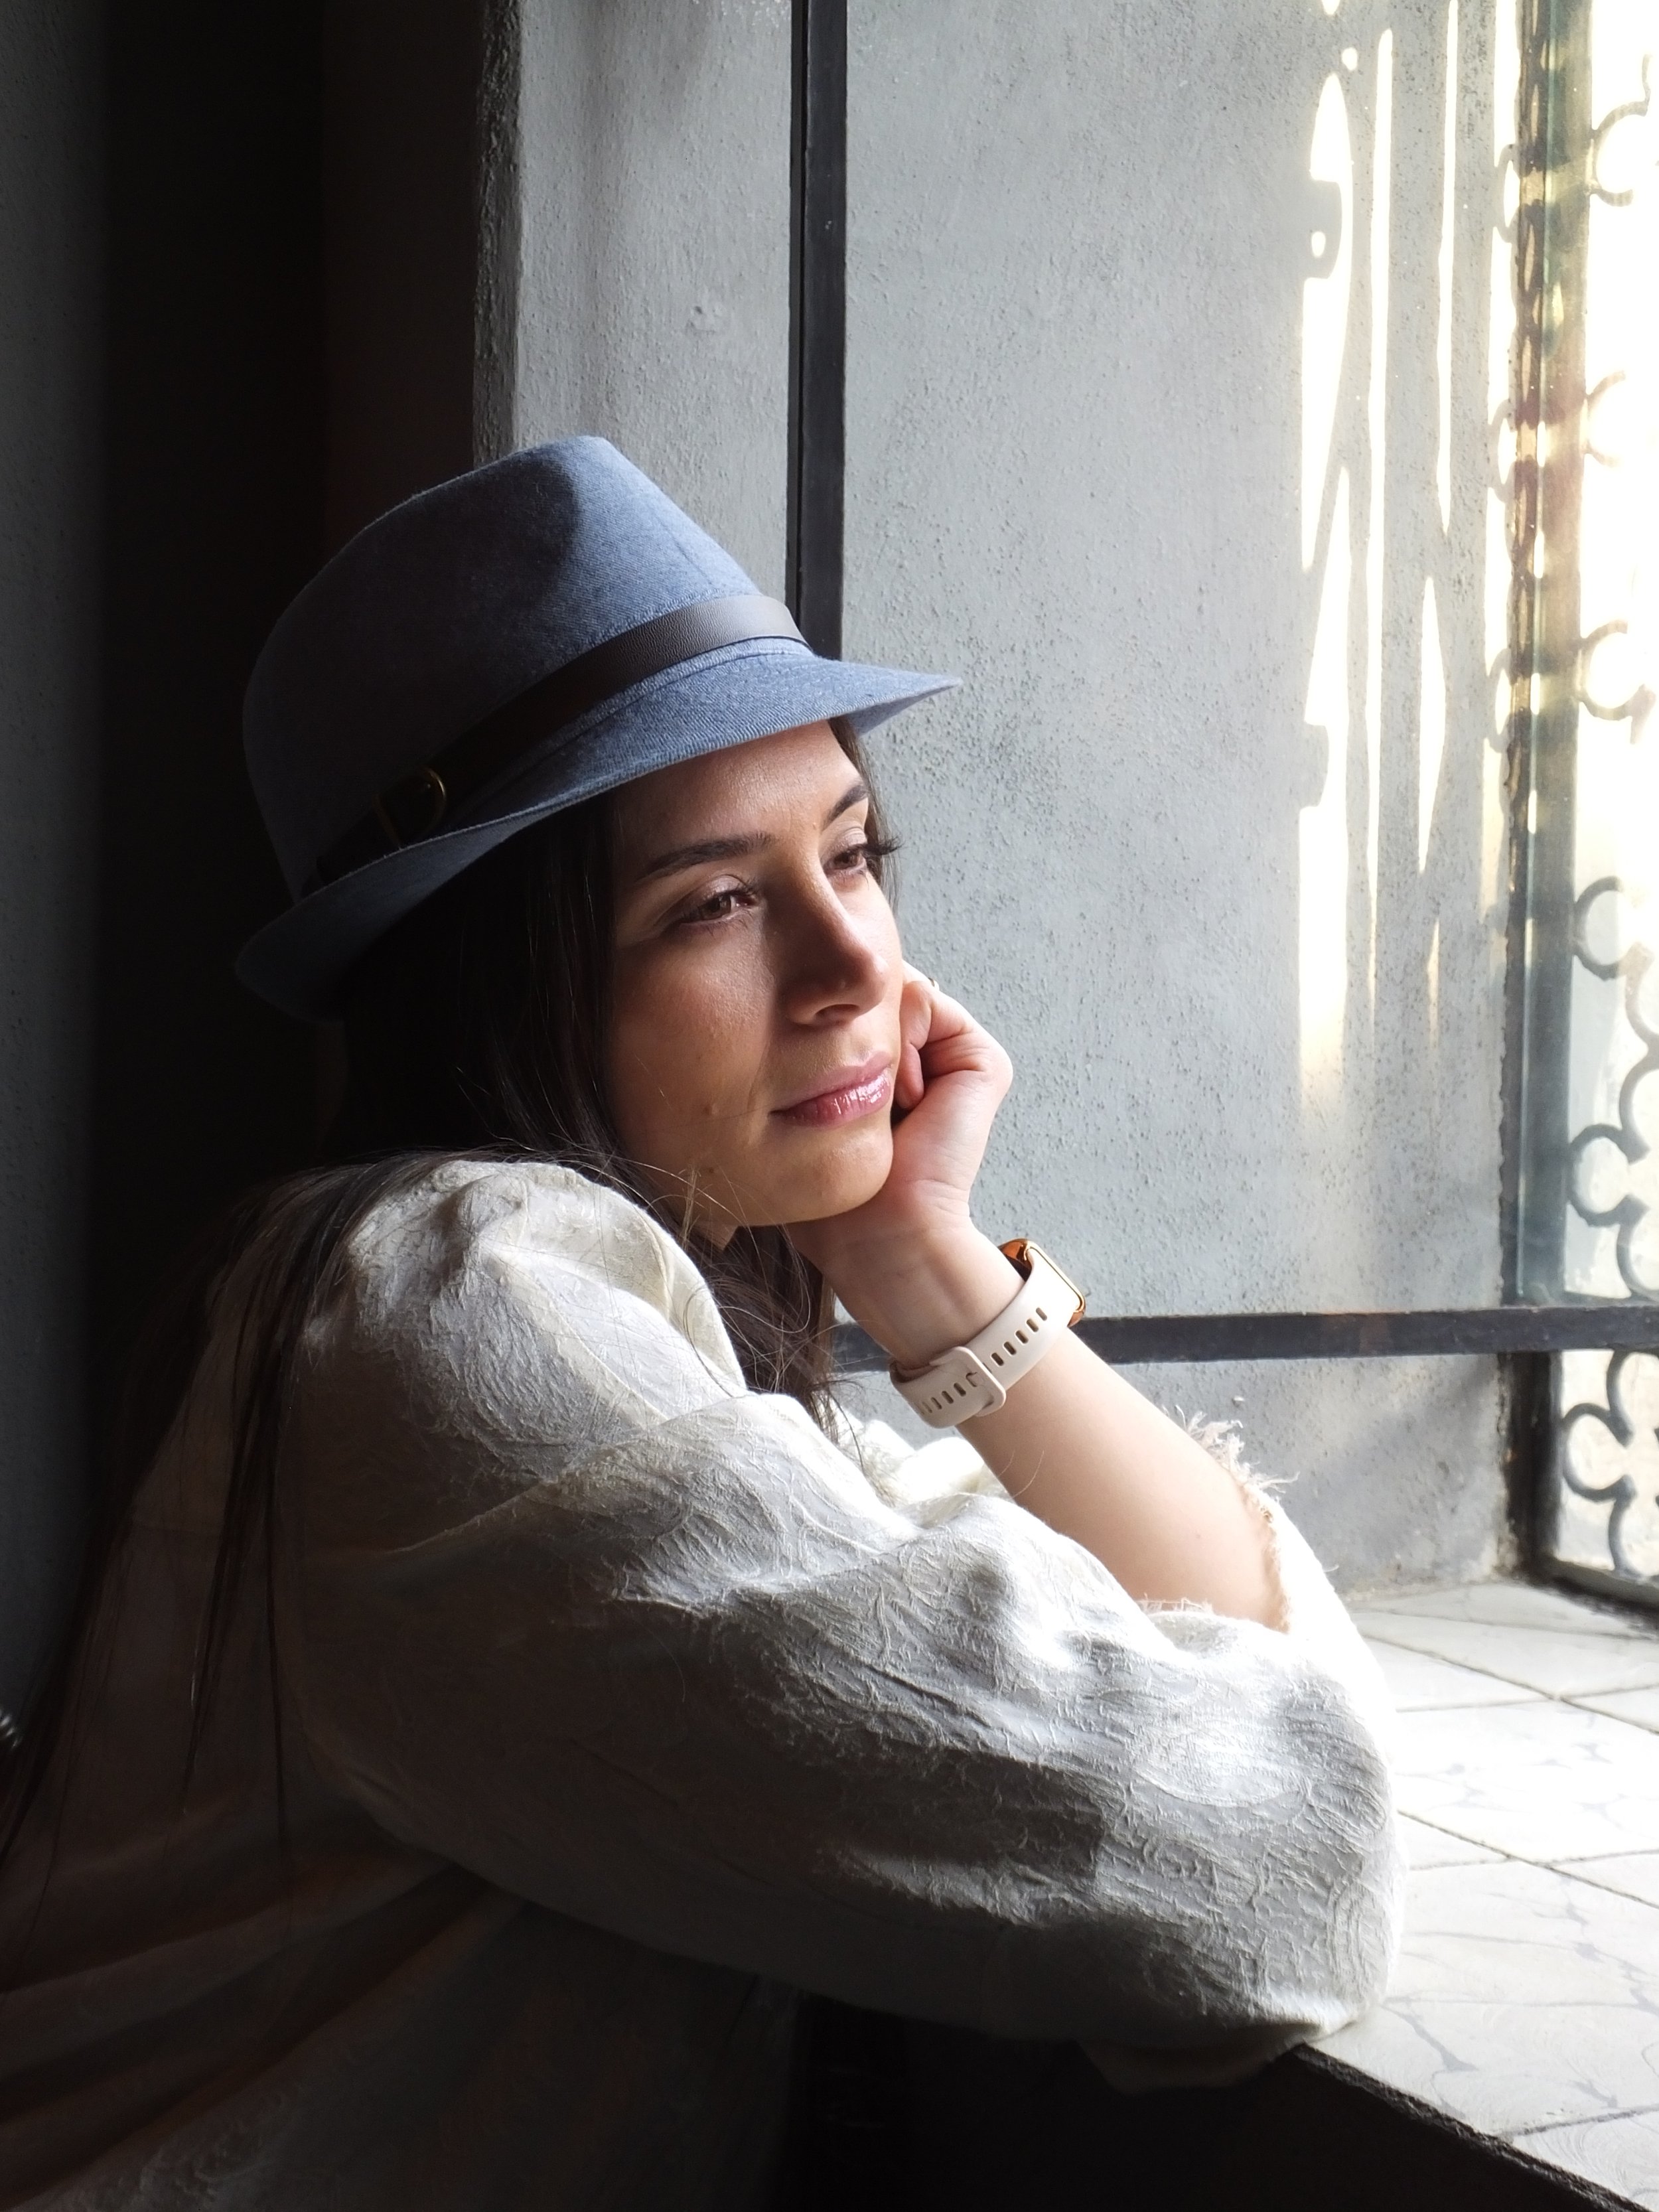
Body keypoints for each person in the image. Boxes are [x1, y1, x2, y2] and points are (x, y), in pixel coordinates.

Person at [0, 439, 1400, 2210]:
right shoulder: (451, 1313)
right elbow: (1270, 1861)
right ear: (498, 970)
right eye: (716, 902)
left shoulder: (583, 1317)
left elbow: (1247, 1657)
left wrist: (920, 1259)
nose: (858, 967)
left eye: (854, 854)